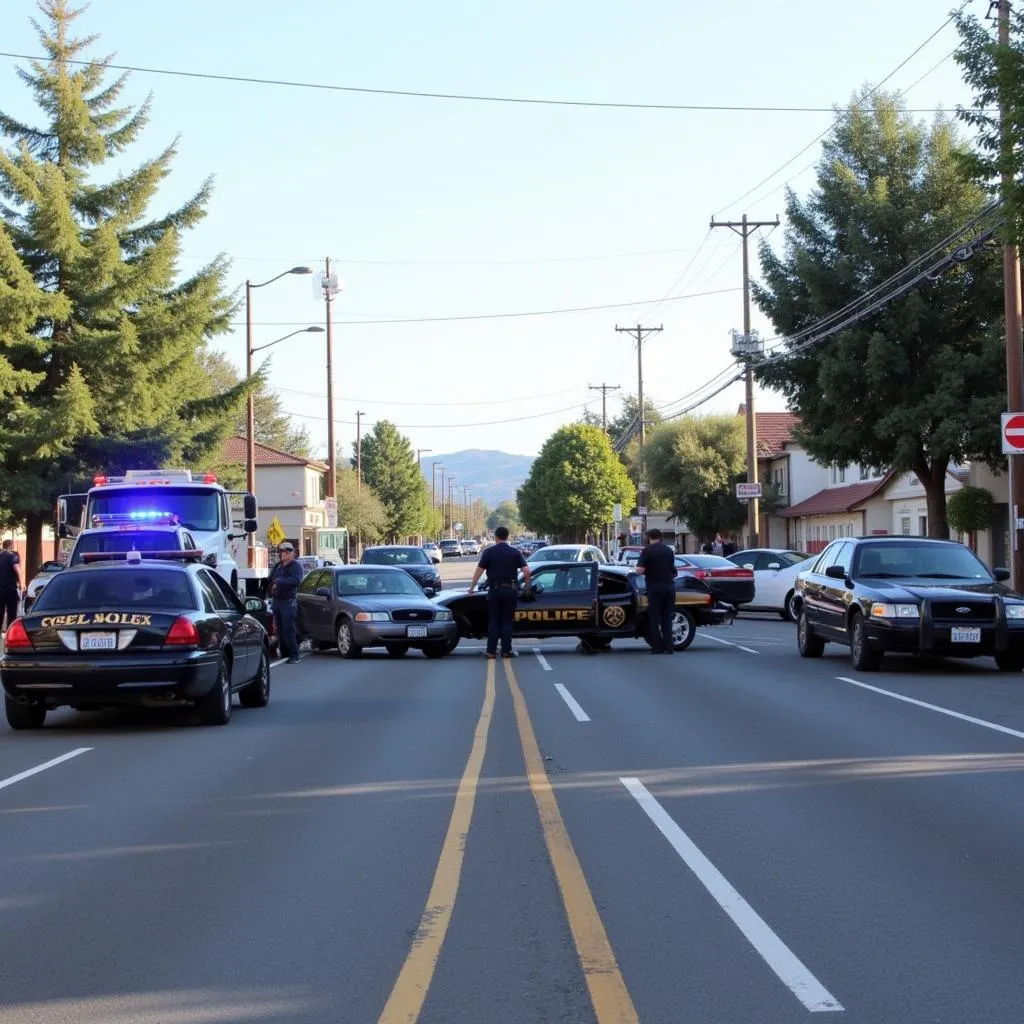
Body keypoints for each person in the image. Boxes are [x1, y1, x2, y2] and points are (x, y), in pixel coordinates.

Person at [468, 525, 531, 659]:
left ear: (496, 537)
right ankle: (506, 651)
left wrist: (472, 587)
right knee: (507, 621)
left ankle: (491, 651)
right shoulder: (515, 552)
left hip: (495, 591)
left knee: (494, 621)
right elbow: (527, 571)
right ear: (507, 537)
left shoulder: (489, 552)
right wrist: (527, 587)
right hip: (510, 590)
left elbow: (479, 571)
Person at [636, 527, 677, 655]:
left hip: (655, 588)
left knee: (654, 618)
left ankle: (657, 647)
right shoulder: (668, 550)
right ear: (660, 537)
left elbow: (640, 570)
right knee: (667, 618)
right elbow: (673, 570)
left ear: (649, 537)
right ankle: (669, 647)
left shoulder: (647, 551)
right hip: (669, 587)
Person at [268, 542, 304, 664]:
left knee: (289, 629)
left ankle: (294, 654)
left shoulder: (296, 566)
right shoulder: (278, 566)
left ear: (293, 553)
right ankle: (284, 653)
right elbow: (271, 579)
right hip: (277, 601)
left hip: (288, 601)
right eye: (282, 552)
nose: (284, 554)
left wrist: (279, 581)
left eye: (287, 551)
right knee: (279, 629)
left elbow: (296, 580)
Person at [0, 539, 23, 634]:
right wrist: (22, 583)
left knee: (0, 610)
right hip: (10, 589)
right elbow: (17, 569)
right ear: (11, 546)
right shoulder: (12, 556)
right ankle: (10, 630)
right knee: (12, 611)